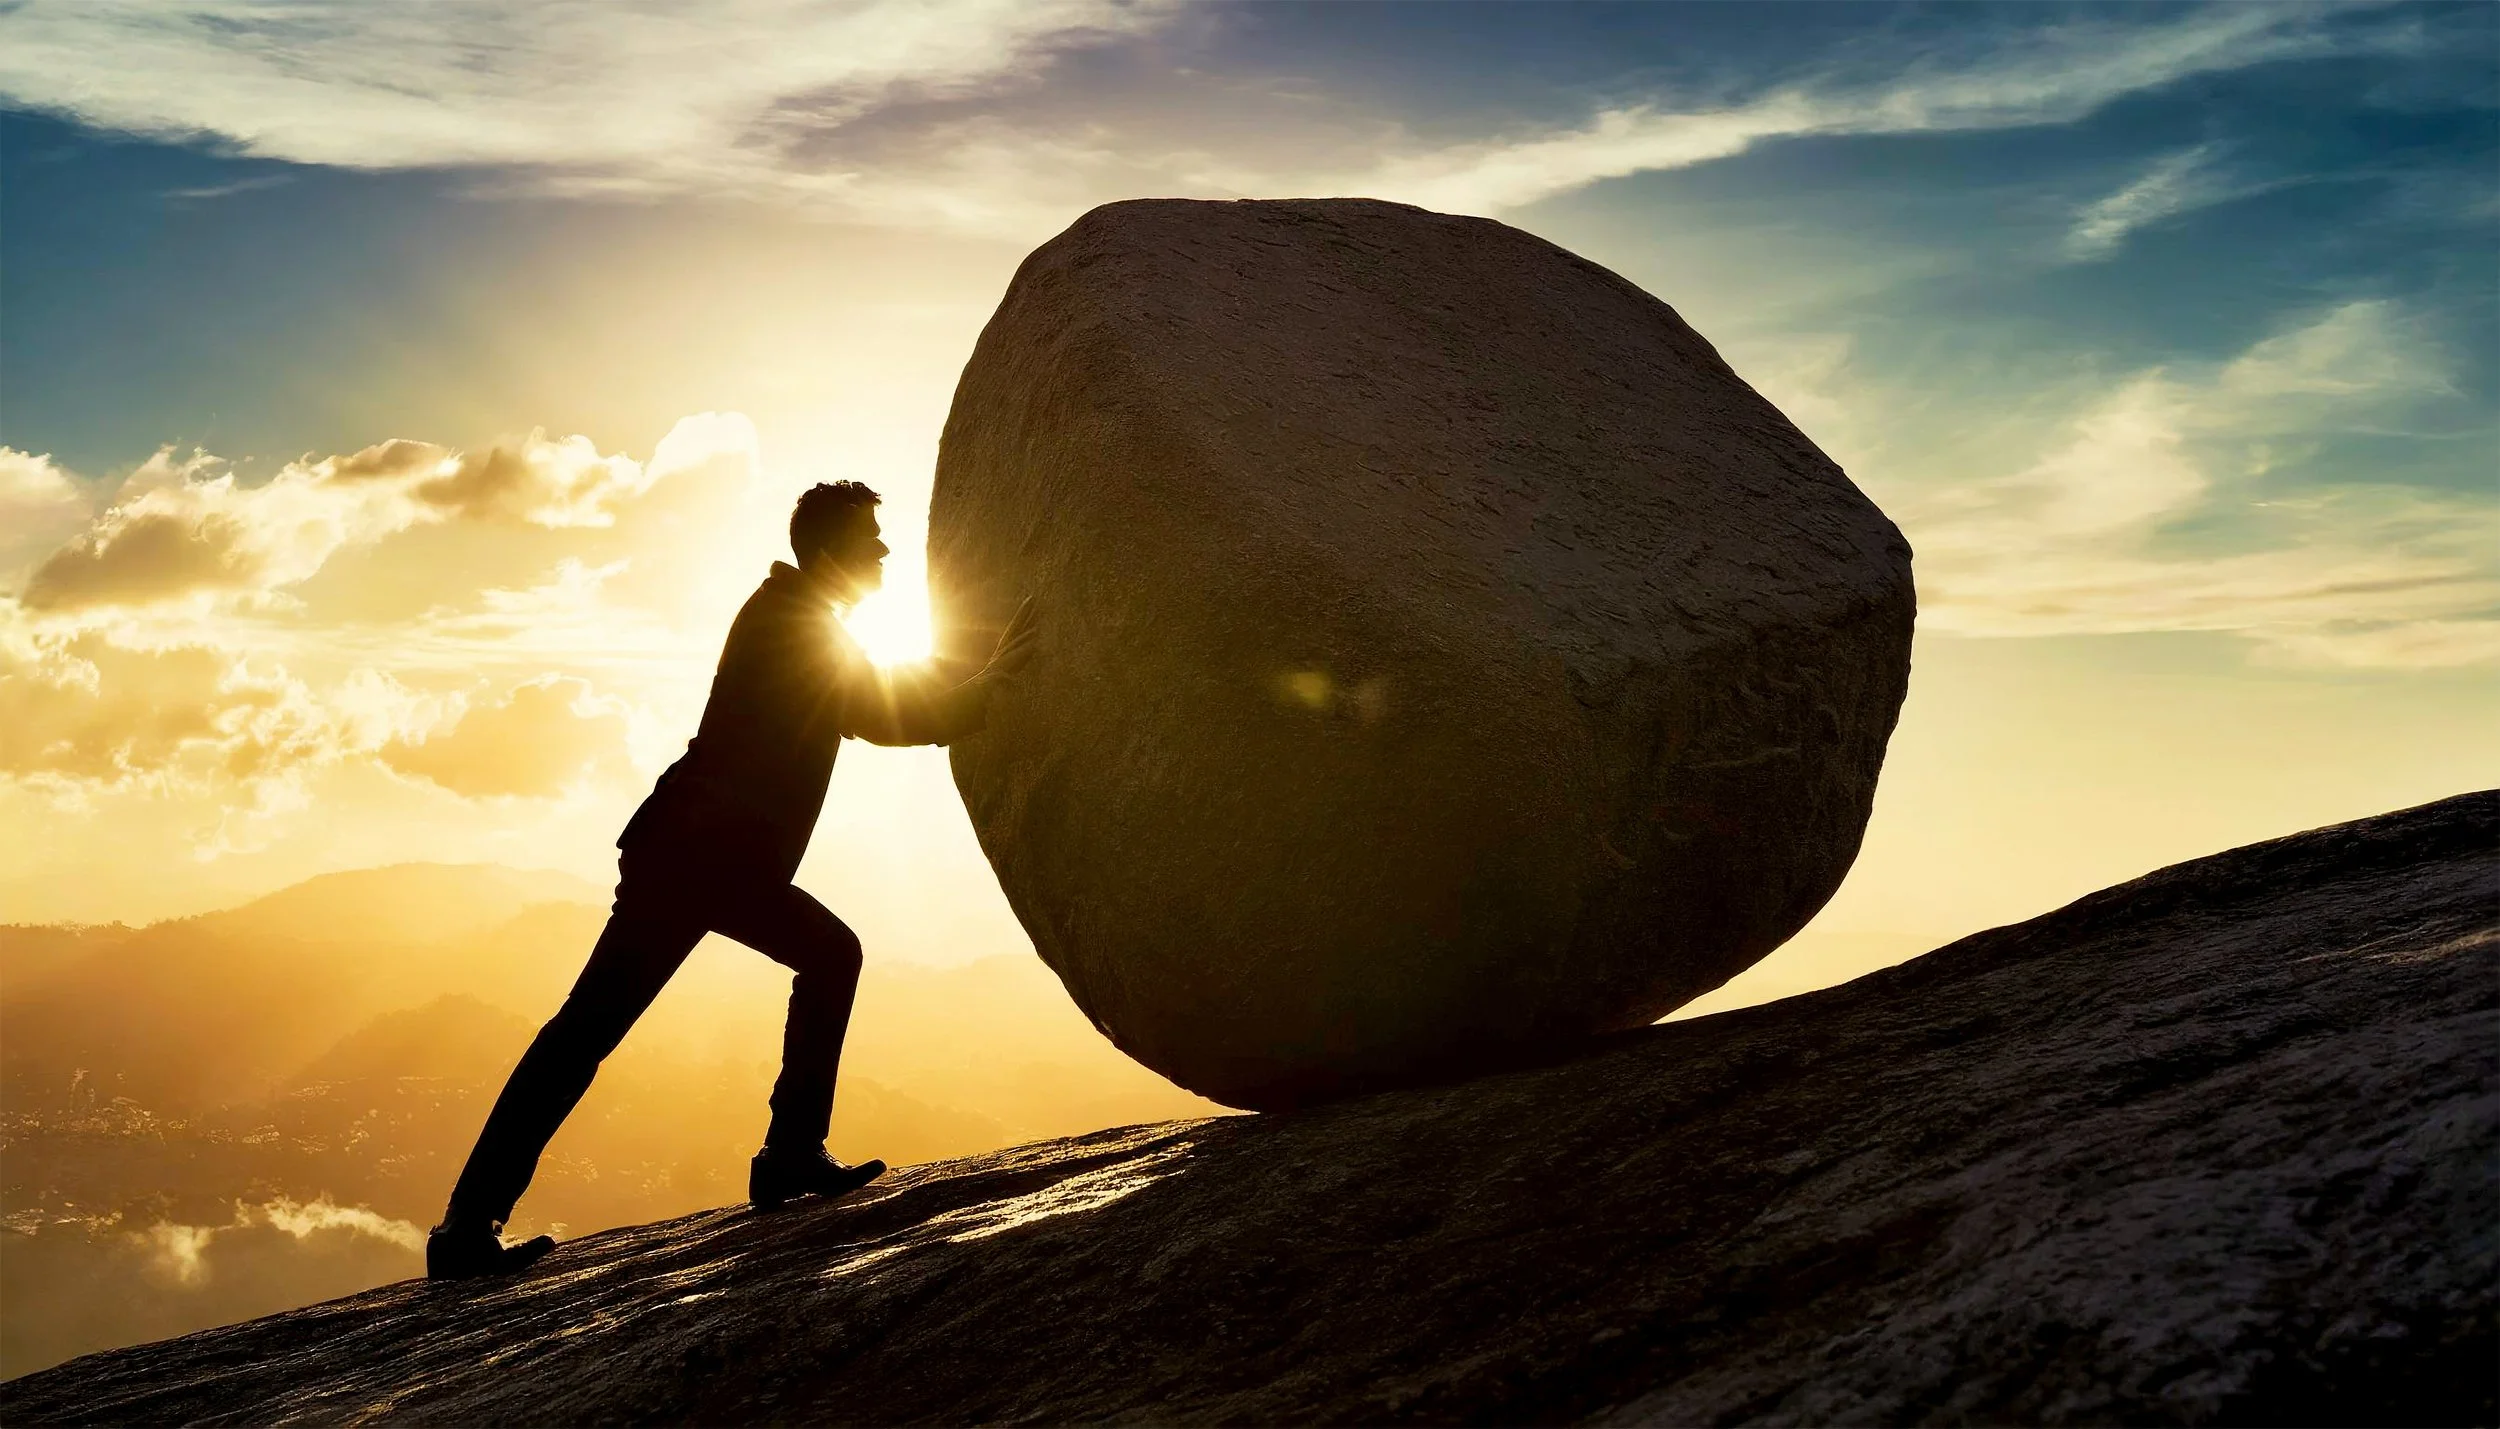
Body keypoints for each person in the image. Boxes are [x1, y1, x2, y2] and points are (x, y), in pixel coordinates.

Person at [426, 480, 1037, 1279]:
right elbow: (884, 710)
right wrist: (989, 689)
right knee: (624, 1020)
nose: (884, 551)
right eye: (870, 539)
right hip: (699, 860)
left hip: (701, 857)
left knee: (599, 1028)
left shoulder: (802, 617)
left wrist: (975, 679)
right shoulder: (793, 624)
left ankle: (478, 1222)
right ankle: (476, 1225)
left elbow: (884, 692)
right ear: (827, 554)